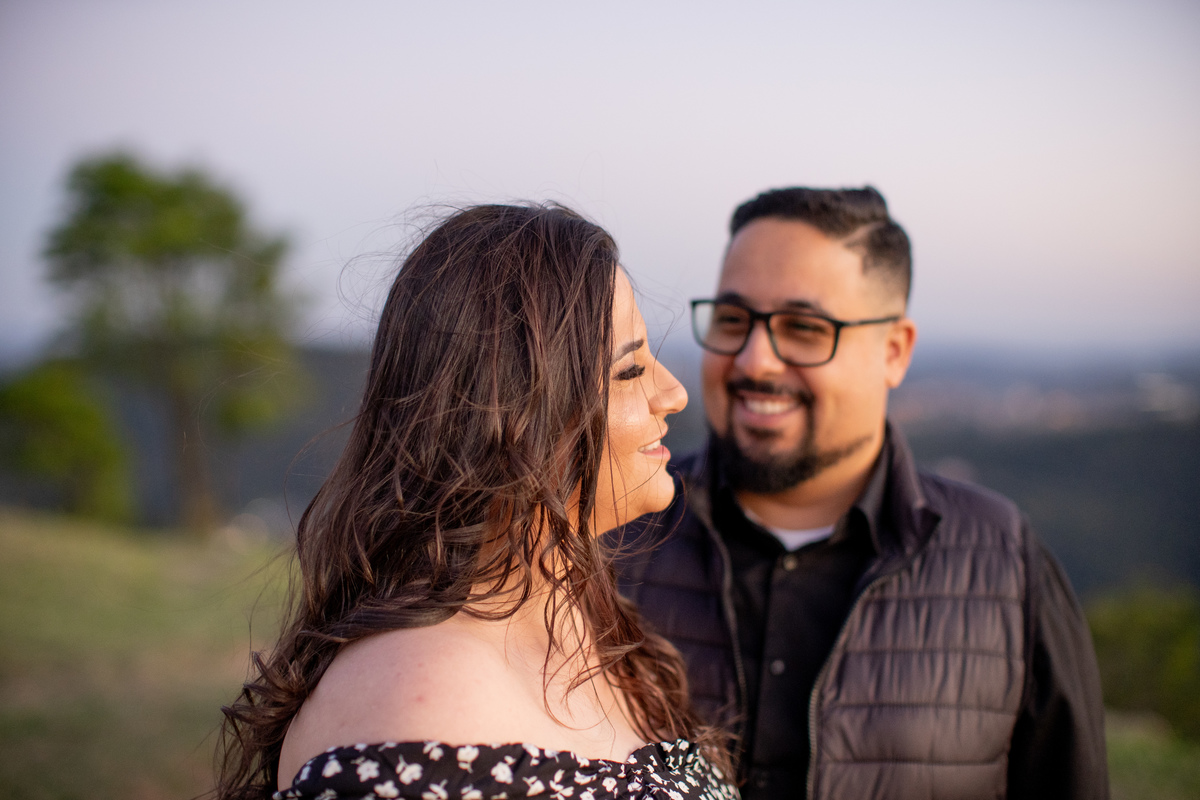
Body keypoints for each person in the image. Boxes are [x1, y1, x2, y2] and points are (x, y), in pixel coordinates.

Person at [216, 204, 740, 800]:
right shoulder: (411, 704)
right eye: (628, 371)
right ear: (513, 418)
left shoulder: (596, 629)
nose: (672, 394)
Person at [614, 187, 1108, 799]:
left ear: (894, 351)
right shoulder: (614, 537)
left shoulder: (1004, 564)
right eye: (733, 319)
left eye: (803, 328)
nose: (755, 359)